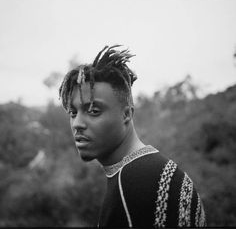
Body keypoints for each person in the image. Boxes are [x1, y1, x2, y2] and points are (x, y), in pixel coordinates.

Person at [59, 45, 207, 228]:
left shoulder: (133, 184)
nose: (77, 124)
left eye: (94, 111)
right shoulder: (154, 168)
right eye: (73, 113)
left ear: (126, 114)